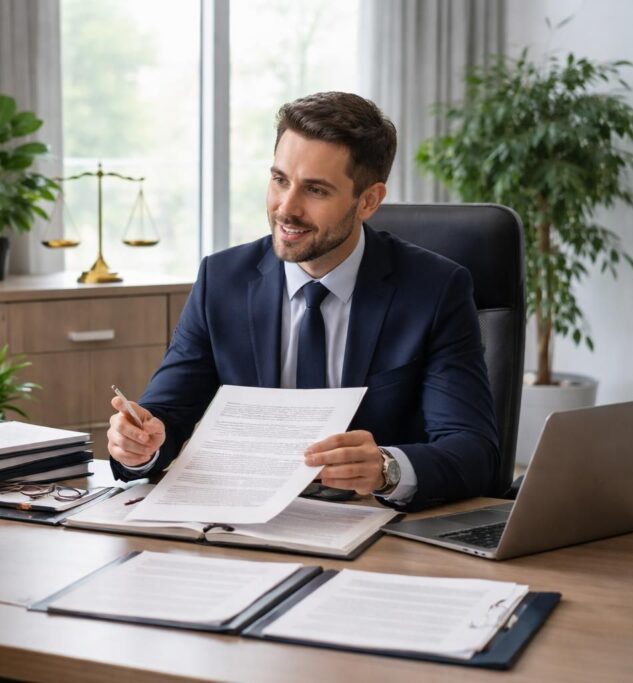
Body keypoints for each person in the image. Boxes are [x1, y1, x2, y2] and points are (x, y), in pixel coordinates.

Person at [107, 92, 499, 511]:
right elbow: (165, 413)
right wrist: (139, 444)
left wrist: (388, 468)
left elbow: (474, 451)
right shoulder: (222, 281)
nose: (286, 209)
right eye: (279, 180)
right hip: (245, 525)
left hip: (376, 530)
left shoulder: (435, 290)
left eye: (315, 190)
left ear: (368, 200)